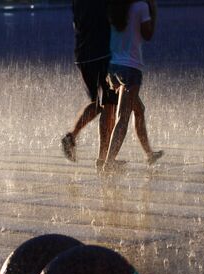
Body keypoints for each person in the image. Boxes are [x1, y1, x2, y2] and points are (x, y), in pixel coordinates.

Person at [103, 0, 163, 171]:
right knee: (123, 117)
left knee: (139, 109)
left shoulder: (114, 6)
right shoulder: (141, 7)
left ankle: (149, 154)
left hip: (113, 67)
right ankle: (109, 162)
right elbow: (148, 35)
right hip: (130, 68)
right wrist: (153, 11)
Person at [62, 0, 117, 169]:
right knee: (109, 104)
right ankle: (104, 159)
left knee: (99, 102)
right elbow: (115, 18)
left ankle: (71, 137)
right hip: (100, 53)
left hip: (82, 54)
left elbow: (76, 23)